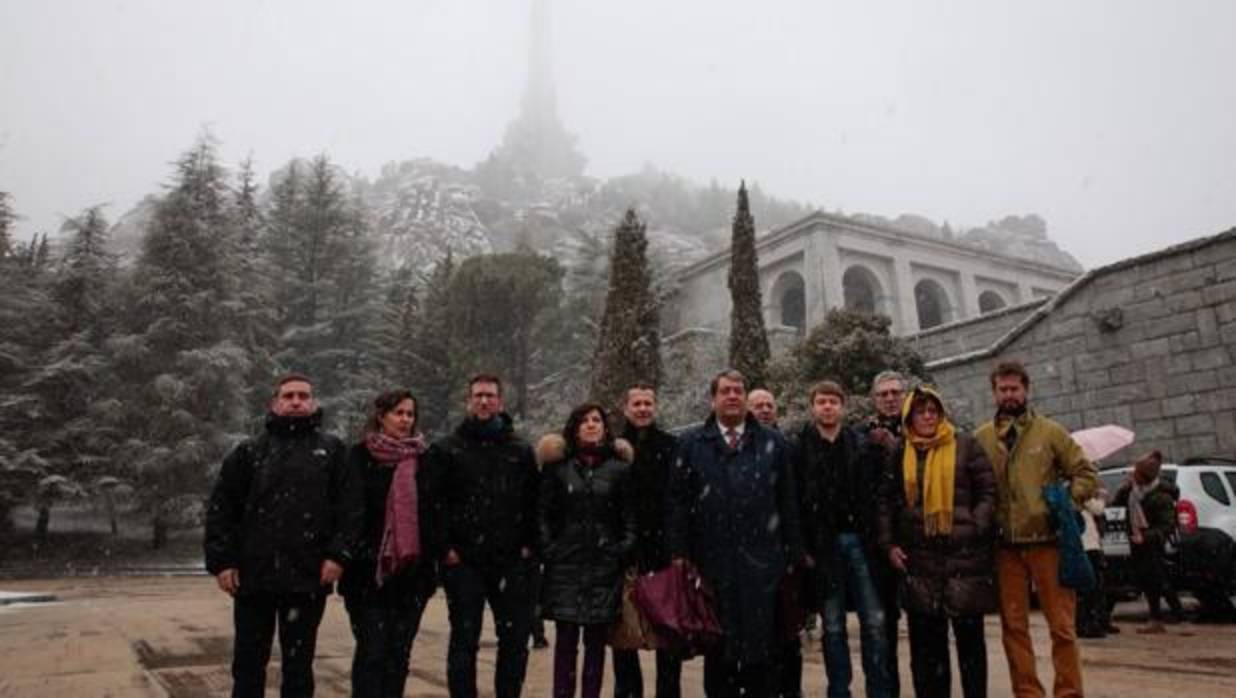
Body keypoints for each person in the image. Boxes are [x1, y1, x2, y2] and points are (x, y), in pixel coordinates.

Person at [204, 373, 361, 698]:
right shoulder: (248, 453)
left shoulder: (333, 452)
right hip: (252, 579)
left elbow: (351, 511)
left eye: (303, 396)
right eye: (288, 396)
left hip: (307, 578)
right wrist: (222, 562)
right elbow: (222, 510)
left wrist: (338, 555)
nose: (296, 401)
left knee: (299, 667)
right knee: (248, 665)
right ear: (275, 402)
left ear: (313, 402)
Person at [667, 369, 802, 698]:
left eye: (738, 391)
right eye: (725, 391)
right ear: (713, 399)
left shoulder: (773, 444)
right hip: (712, 566)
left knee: (764, 653)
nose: (732, 396)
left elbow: (789, 503)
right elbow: (677, 505)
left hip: (764, 565)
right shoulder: (690, 445)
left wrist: (793, 554)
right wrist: (679, 554)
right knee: (719, 651)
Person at [973, 360, 1097, 698]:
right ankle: (1027, 692)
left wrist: (1064, 504)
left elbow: (1085, 473)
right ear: (994, 392)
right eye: (1003, 389)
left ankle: (1069, 692)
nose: (1009, 395)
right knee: (1014, 627)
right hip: (1005, 547)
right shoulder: (981, 438)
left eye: (1015, 388)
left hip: (1050, 543)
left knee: (1062, 627)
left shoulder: (1050, 432)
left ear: (1026, 389)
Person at [877, 386, 997, 698]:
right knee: (927, 652)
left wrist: (976, 524)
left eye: (933, 410)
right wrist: (889, 544)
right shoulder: (900, 451)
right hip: (920, 560)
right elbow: (886, 502)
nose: (928, 417)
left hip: (964, 558)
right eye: (921, 411)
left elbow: (987, 490)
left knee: (971, 646)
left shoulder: (965, 444)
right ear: (909, 417)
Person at [425, 374, 541, 698]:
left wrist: (531, 546)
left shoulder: (520, 451)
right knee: (464, 639)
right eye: (478, 395)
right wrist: (445, 548)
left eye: (490, 395)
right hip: (464, 562)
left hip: (512, 561)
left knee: (515, 641)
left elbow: (534, 501)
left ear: (501, 402)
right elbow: (435, 504)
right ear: (468, 401)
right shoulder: (447, 449)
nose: (484, 401)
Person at [793, 381, 894, 698]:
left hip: (861, 543)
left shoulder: (862, 444)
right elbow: (794, 502)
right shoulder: (799, 449)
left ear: (843, 406)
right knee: (833, 626)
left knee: (874, 622)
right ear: (813, 407)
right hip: (823, 547)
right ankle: (839, 690)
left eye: (833, 401)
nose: (827, 406)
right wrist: (803, 548)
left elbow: (879, 495)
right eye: (821, 401)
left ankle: (879, 690)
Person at [339, 389, 437, 698]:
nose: (405, 420)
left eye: (410, 414)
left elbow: (434, 512)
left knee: (399, 655)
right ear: (381, 416)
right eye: (399, 413)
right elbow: (348, 510)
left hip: (411, 574)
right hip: (367, 573)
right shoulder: (357, 456)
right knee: (371, 652)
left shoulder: (425, 459)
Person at [537, 403, 638, 698]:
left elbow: (630, 518)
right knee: (566, 642)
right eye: (585, 420)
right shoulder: (558, 469)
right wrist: (551, 549)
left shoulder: (620, 470)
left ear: (606, 428)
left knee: (596, 644)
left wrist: (621, 550)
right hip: (565, 567)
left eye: (597, 420)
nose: (591, 425)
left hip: (604, 568)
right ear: (575, 427)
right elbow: (542, 514)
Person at [612, 383, 683, 698]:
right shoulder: (612, 448)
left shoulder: (671, 446)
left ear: (655, 407)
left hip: (663, 554)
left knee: (669, 634)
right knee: (624, 638)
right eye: (636, 403)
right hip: (623, 555)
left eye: (647, 403)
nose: (642, 408)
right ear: (626, 408)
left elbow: (679, 500)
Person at [747, 388, 803, 698]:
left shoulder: (789, 448)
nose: (765, 410)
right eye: (758, 406)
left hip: (783, 553)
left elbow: (797, 501)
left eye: (770, 405)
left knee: (787, 630)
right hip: (750, 555)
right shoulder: (741, 448)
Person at [861, 370, 909, 695]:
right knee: (882, 627)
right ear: (874, 399)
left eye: (895, 393)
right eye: (884, 394)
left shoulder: (921, 428)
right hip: (880, 543)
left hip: (919, 541)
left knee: (925, 627)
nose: (890, 399)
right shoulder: (862, 437)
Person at [1113, 450, 1185, 632]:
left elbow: (1167, 525)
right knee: (1156, 578)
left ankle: (1156, 619)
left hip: (1152, 543)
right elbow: (1116, 507)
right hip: (1135, 541)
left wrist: (1145, 537)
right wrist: (1122, 490)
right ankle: (1177, 612)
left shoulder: (1161, 497)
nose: (1133, 475)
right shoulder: (1131, 491)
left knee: (1153, 579)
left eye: (1136, 473)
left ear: (1145, 477)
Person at [1075, 487, 1117, 638]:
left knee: (1090, 589)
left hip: (1086, 544)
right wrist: (1101, 498)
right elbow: (1098, 509)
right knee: (1092, 588)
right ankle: (1089, 624)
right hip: (1088, 545)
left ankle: (1093, 622)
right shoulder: (1080, 491)